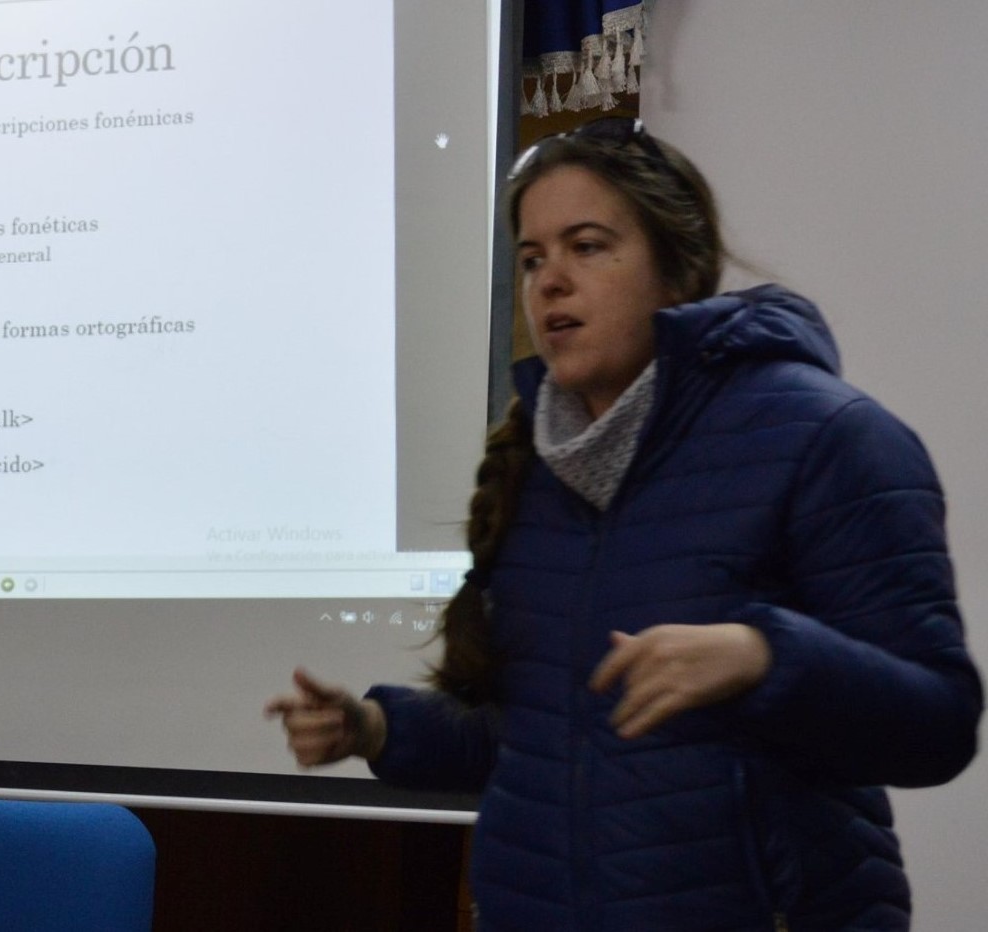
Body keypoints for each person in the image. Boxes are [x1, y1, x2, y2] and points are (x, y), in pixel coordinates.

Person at [264, 118, 982, 931]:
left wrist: (764, 656)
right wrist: (377, 727)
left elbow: (939, 722)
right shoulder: (536, 465)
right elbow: (540, 736)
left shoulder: (827, 438)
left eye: (588, 246)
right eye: (533, 259)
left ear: (676, 271)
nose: (550, 282)